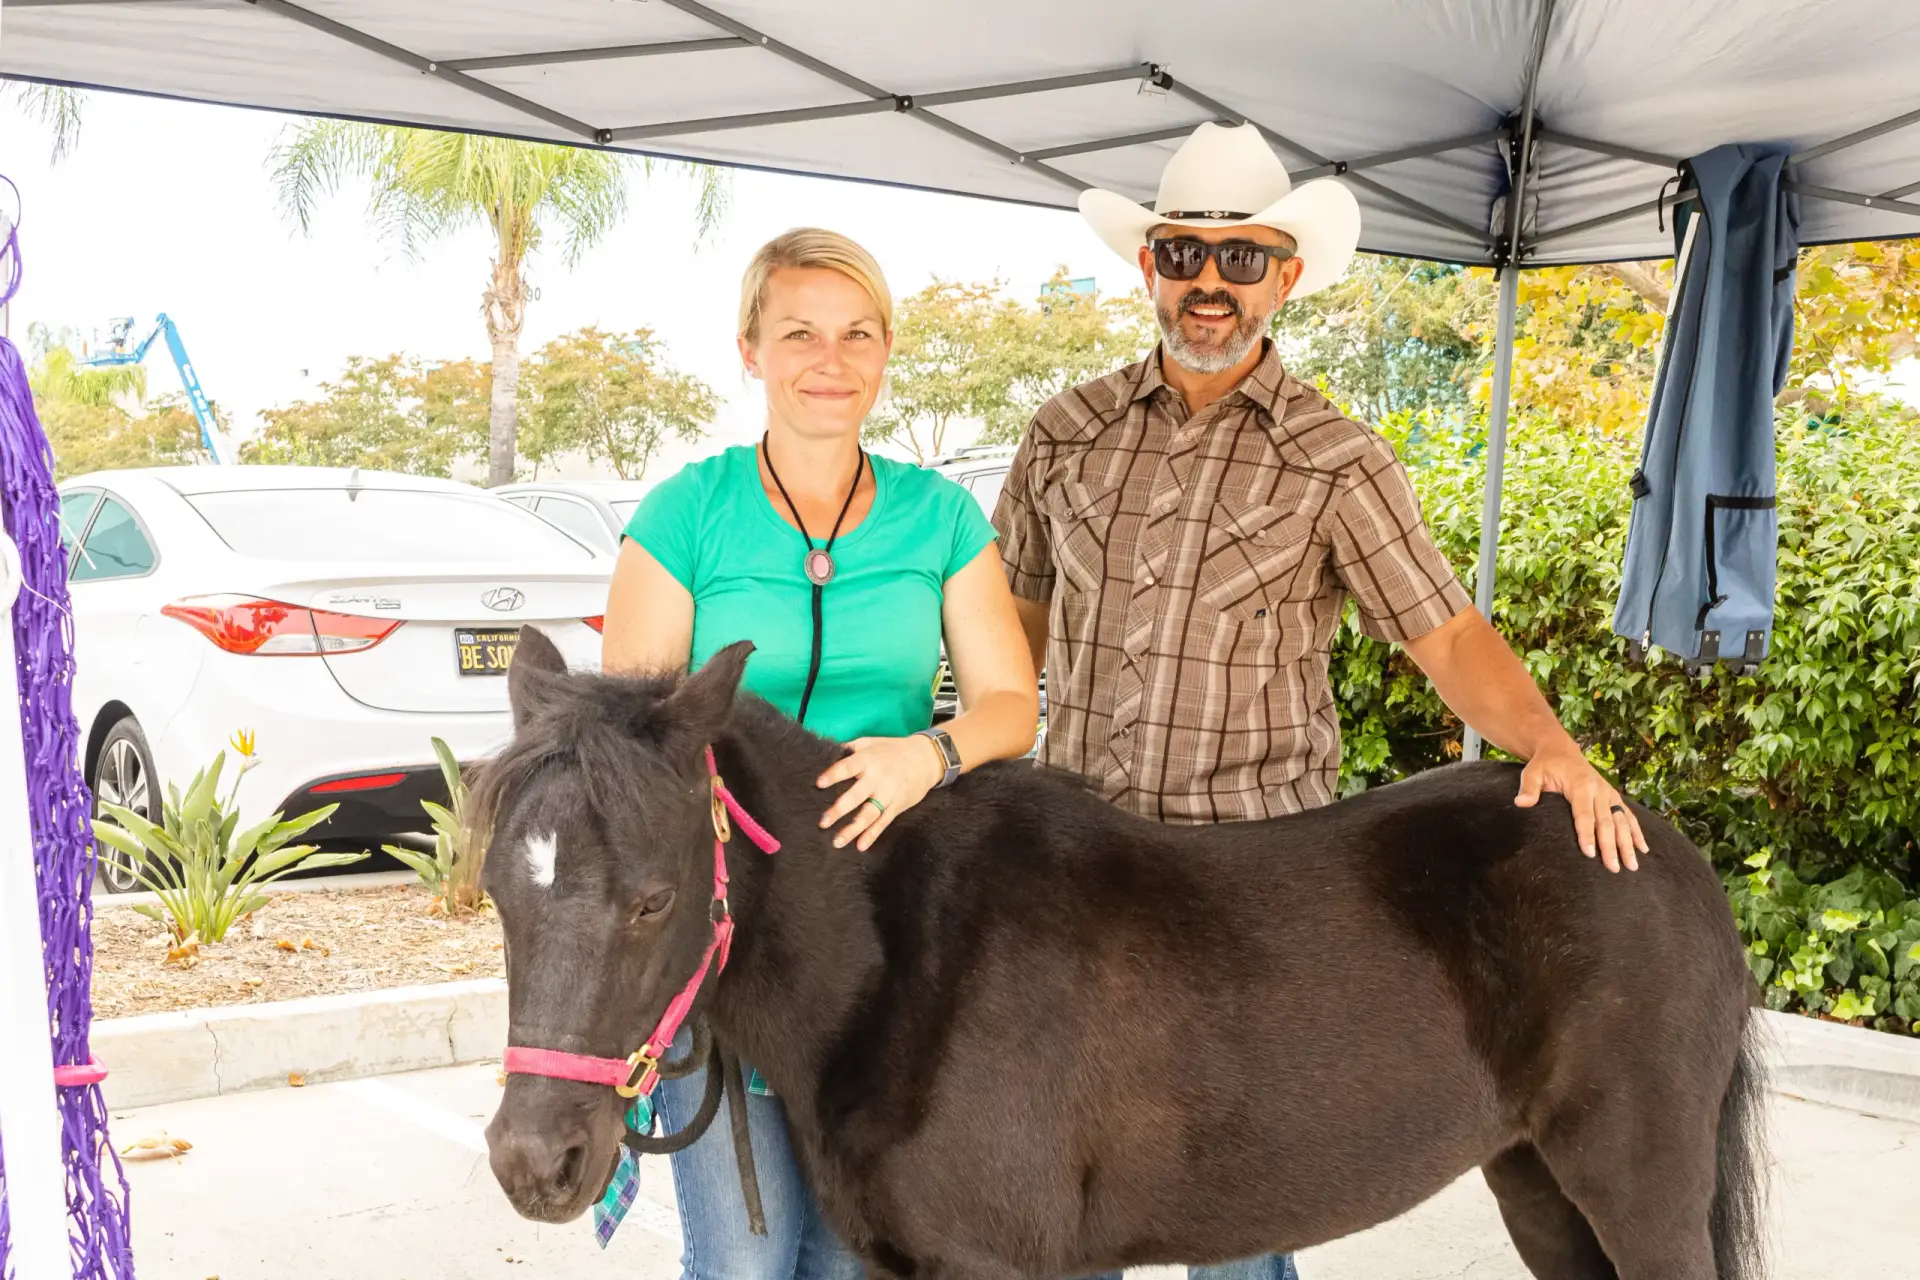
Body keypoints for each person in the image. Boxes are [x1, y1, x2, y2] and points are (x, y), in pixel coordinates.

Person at [994, 122, 1650, 1280]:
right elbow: (1014, 631)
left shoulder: (1336, 457)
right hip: (1080, 887)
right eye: (1182, 255)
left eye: (1240, 259)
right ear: (1146, 266)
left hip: (1255, 899)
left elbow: (1443, 632)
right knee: (1064, 1197)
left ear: (1284, 277)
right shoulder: (1063, 435)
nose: (1209, 284)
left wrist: (1554, 744)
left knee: (1238, 1217)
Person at [602, 227, 1039, 1280]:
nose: (829, 359)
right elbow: (627, 743)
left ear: (887, 352)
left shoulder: (941, 516)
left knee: (856, 1258)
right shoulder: (684, 514)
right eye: (798, 331)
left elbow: (1011, 706)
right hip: (725, 930)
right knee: (750, 1260)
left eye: (856, 334)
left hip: (880, 936)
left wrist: (923, 758)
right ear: (750, 348)